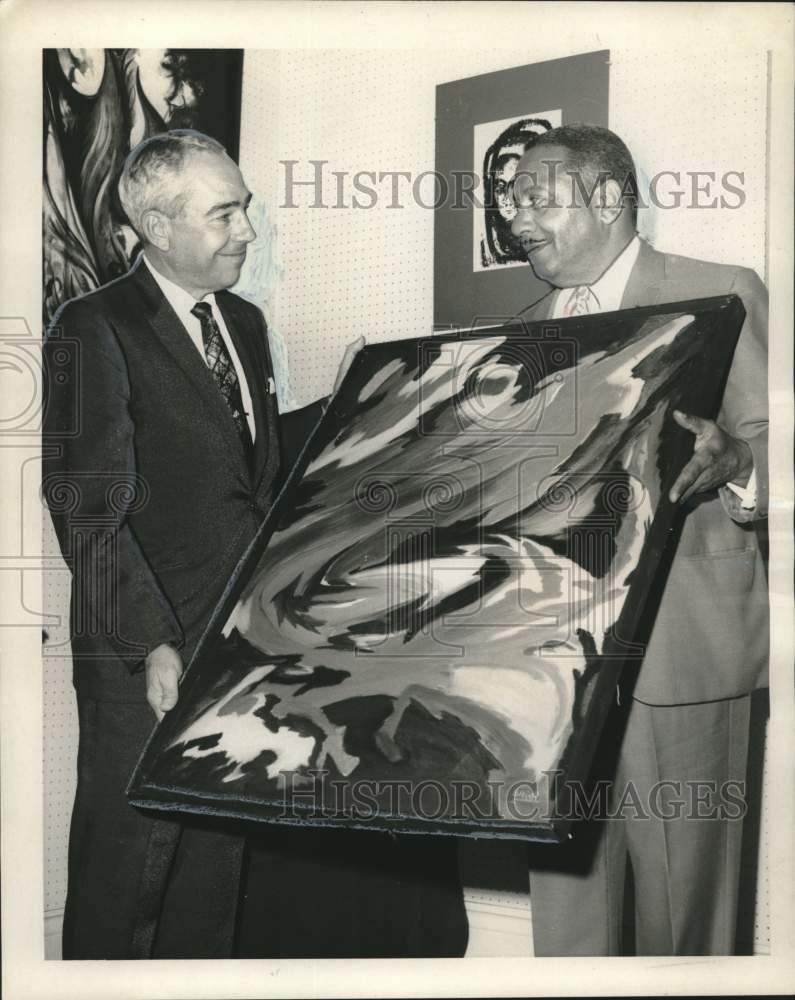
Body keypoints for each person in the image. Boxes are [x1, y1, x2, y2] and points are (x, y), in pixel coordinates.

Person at [43, 129, 467, 959]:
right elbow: (84, 505)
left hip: (238, 639)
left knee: (214, 867)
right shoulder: (91, 327)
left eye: (244, 208)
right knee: (130, 868)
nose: (247, 230)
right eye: (224, 213)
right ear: (158, 229)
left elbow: (252, 468)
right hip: (148, 648)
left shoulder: (241, 319)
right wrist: (151, 642)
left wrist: (345, 397)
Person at [509, 124, 768, 956]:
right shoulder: (513, 331)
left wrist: (740, 464)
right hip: (546, 676)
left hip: (682, 660)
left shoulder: (721, 291)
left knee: (685, 927)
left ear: (609, 198)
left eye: (536, 196)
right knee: (566, 935)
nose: (515, 215)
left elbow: (779, 444)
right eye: (509, 200)